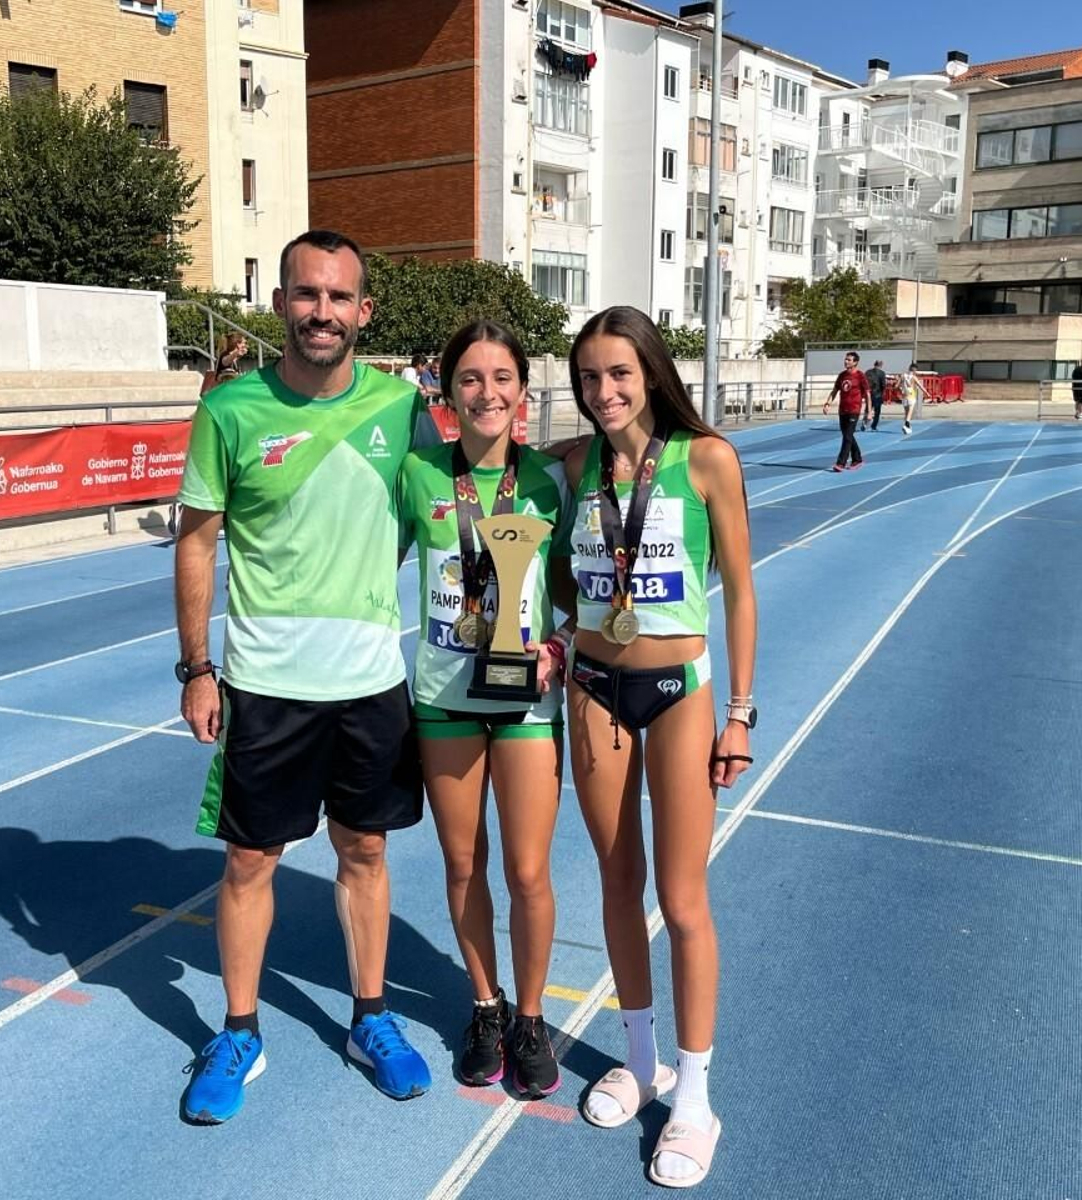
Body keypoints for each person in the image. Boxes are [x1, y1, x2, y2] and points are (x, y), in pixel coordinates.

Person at [172, 229, 442, 1124]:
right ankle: (239, 1030)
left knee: (365, 851)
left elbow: (450, 508)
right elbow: (198, 541)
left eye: (338, 297)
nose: (321, 312)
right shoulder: (231, 411)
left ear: (364, 311)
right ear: (281, 302)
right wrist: (198, 668)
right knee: (251, 860)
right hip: (265, 683)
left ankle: (371, 1017)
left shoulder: (403, 410)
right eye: (305, 293)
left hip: (368, 683)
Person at [559, 306, 758, 1189]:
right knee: (614, 880)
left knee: (682, 897)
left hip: (681, 692)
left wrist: (741, 714)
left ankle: (697, 1097)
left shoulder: (706, 458)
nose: (603, 393)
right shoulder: (570, 468)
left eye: (618, 375)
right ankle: (642, 1064)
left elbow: (743, 595)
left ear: (650, 371)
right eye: (589, 378)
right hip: (594, 688)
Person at [398, 319, 570, 1100]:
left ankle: (531, 1018)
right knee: (463, 864)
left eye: (502, 378)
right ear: (444, 389)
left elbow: (583, 594)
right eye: (469, 377)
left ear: (523, 392)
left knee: (528, 871)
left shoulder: (547, 482)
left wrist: (559, 650)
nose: (486, 392)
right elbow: (368, 567)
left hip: (525, 702)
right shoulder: (419, 475)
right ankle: (486, 1007)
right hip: (443, 699)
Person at [825, 351, 869, 471]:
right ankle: (857, 459)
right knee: (847, 436)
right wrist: (828, 403)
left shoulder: (860, 376)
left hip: (854, 409)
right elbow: (835, 390)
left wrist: (869, 411)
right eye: (845, 359)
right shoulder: (842, 375)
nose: (846, 361)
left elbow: (867, 394)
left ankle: (841, 463)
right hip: (842, 409)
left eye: (849, 360)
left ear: (855, 362)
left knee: (848, 436)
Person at [864, 359, 887, 431]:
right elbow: (883, 385)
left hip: (869, 393)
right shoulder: (882, 373)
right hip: (878, 394)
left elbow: (864, 382)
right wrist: (883, 393)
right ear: (881, 365)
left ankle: (864, 423)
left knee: (868, 409)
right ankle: (874, 426)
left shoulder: (868, 372)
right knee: (877, 411)